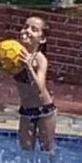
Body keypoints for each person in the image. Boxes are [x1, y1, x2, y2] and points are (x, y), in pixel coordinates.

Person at [15, 15, 56, 154]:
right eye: (25, 27)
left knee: (48, 149)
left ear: (42, 39)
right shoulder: (14, 54)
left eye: (34, 29)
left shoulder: (39, 59)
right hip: (26, 110)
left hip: (44, 110)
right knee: (25, 151)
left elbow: (39, 88)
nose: (27, 31)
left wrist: (29, 67)